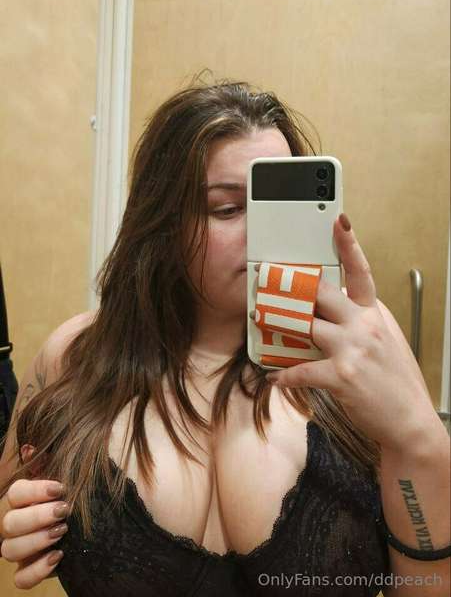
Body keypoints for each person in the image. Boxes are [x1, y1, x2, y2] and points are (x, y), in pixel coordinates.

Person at [0, 77, 449, 596]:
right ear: (162, 223)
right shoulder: (74, 354)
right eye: (229, 209)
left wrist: (418, 440)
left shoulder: (360, 345)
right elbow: (9, 501)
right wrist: (19, 522)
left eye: (281, 205)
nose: (265, 233)